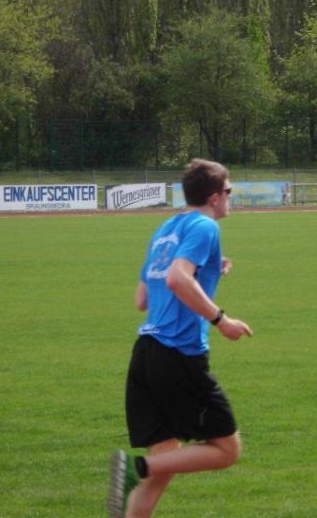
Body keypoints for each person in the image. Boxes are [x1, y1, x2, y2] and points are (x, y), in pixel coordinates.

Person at [108, 158, 254, 518]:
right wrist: (221, 320)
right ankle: (135, 468)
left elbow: (142, 299)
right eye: (229, 190)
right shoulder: (205, 226)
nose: (231, 197)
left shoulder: (165, 230)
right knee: (227, 451)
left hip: (145, 356)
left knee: (163, 468)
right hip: (178, 355)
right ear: (215, 197)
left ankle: (140, 473)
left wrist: (209, 270)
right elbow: (177, 279)